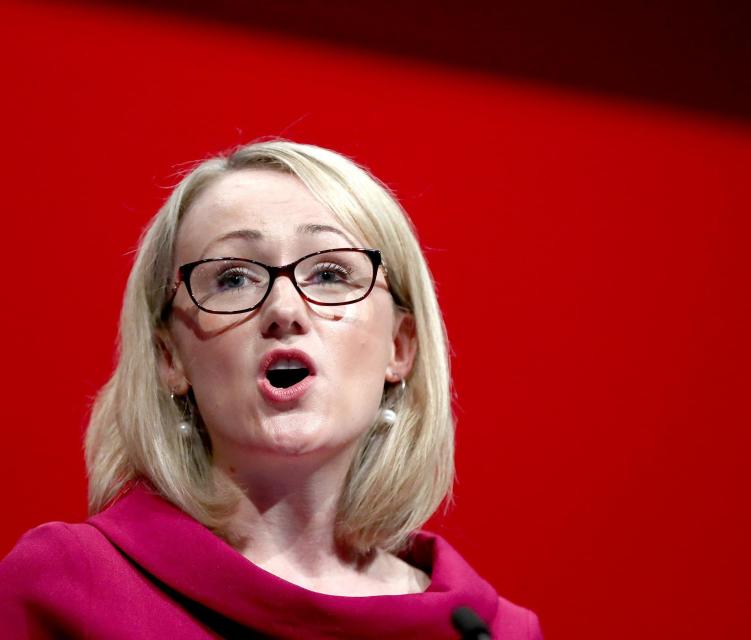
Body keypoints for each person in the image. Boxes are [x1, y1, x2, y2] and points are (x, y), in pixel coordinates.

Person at [0, 140, 543, 639]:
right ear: (170, 359)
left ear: (400, 348)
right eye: (233, 278)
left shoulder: (495, 631)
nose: (284, 310)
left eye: (331, 273)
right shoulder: (65, 590)